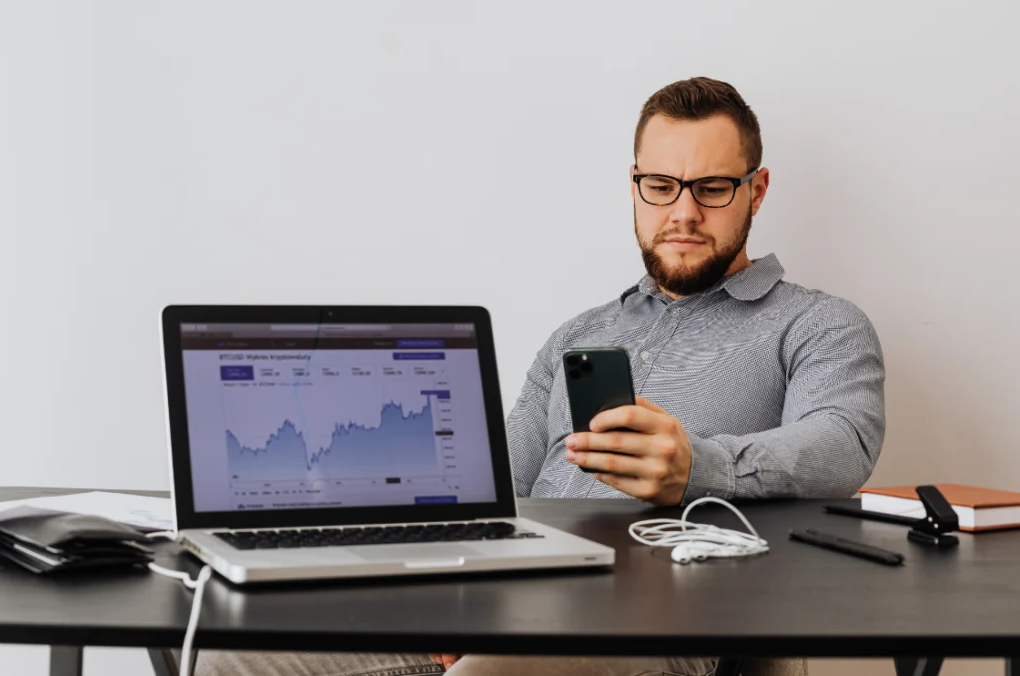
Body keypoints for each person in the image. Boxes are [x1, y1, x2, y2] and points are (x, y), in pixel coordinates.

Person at [197, 76, 885, 676]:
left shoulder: (818, 323)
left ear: (755, 189)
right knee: (231, 655)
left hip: (661, 621)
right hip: (515, 596)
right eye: (661, 185)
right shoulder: (580, 333)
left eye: (710, 188)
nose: (682, 212)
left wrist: (697, 466)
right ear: (635, 186)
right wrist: (438, 588)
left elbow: (842, 441)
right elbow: (495, 480)